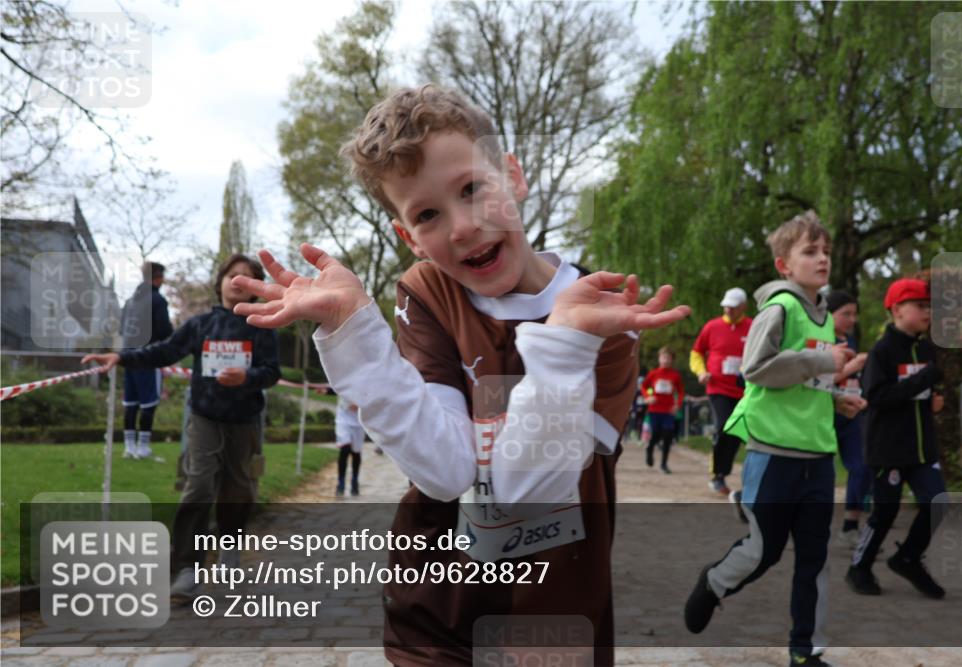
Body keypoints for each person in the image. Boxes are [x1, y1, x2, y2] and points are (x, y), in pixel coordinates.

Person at [230, 84, 690, 666]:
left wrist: (566, 345)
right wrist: (353, 333)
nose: (463, 227)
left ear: (514, 178)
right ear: (407, 238)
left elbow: (529, 488)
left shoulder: (603, 313)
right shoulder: (427, 294)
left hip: (553, 617)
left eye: (473, 189)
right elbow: (446, 470)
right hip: (438, 612)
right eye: (427, 214)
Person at [683, 211, 866, 667]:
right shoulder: (779, 307)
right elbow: (757, 368)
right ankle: (715, 582)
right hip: (774, 454)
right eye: (810, 251)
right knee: (763, 552)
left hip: (819, 457)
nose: (822, 258)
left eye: (824, 251)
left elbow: (806, 378)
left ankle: (806, 652)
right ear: (784, 264)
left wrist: (836, 399)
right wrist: (824, 367)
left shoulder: (825, 315)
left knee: (814, 560)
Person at [83, 254, 281, 599]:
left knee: (238, 490)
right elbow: (164, 352)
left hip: (244, 421)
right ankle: (188, 569)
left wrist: (246, 377)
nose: (237, 282)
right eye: (231, 275)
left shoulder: (262, 326)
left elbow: (272, 371)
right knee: (199, 486)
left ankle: (229, 553)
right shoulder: (199, 325)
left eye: (246, 277)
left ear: (255, 288)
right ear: (219, 281)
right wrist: (121, 356)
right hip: (204, 418)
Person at [846, 278, 947, 599]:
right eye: (920, 306)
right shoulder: (882, 351)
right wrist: (923, 381)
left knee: (938, 502)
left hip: (922, 448)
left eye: (929, 306)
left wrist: (936, 395)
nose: (928, 312)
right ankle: (859, 567)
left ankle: (908, 558)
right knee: (885, 512)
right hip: (887, 448)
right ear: (897, 310)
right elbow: (876, 396)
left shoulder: (927, 348)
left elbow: (927, 387)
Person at [691, 287, 752, 496]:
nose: (728, 310)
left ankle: (726, 473)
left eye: (733, 307)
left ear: (743, 307)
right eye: (726, 306)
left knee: (736, 432)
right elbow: (696, 352)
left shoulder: (752, 327)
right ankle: (717, 475)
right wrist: (701, 372)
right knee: (723, 425)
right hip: (717, 387)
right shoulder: (712, 327)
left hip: (744, 390)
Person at [826, 290, 871, 547]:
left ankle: (850, 527)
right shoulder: (819, 341)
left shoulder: (851, 339)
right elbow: (809, 382)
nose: (852, 319)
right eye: (846, 314)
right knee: (811, 471)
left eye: (854, 314)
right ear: (829, 315)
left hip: (852, 412)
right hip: (823, 411)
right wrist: (850, 368)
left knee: (862, 466)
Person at [119, 261, 173, 459]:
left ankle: (129, 447)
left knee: (130, 403)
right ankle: (143, 448)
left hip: (128, 357)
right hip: (149, 358)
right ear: (158, 278)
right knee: (149, 403)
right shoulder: (158, 300)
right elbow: (164, 331)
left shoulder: (129, 301)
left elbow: (121, 330)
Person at [641, 346, 684, 473]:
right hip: (655, 409)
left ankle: (664, 464)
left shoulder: (675, 375)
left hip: (668, 410)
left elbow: (681, 392)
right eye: (663, 357)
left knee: (668, 435)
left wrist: (678, 405)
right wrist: (648, 397)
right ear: (659, 359)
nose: (666, 360)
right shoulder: (653, 374)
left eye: (668, 358)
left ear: (672, 360)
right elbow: (643, 386)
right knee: (656, 434)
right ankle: (650, 448)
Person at [334, 397, 364, 496]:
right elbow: (335, 387)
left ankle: (355, 481)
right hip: (343, 420)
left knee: (356, 452)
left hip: (359, 422)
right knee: (345, 448)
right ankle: (341, 483)